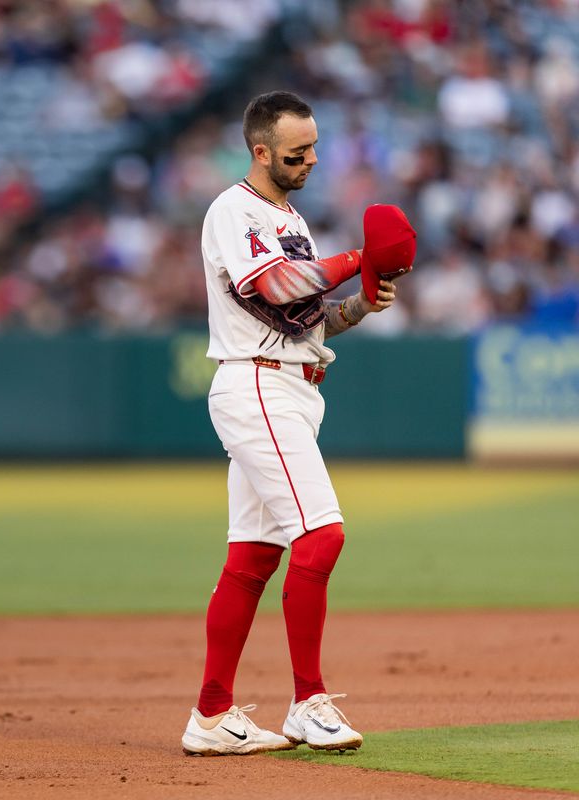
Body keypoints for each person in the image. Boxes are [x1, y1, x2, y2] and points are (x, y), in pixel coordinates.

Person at [181, 91, 410, 756]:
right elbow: (276, 287)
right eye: (295, 152)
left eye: (313, 148)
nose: (310, 160)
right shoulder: (235, 210)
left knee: (253, 556)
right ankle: (308, 702)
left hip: (288, 381)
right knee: (322, 536)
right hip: (256, 383)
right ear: (260, 152)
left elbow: (302, 317)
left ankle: (212, 715)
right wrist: (356, 260)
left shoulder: (290, 219)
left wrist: (359, 304)